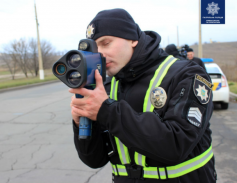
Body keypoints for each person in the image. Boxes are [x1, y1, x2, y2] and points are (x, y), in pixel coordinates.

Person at [69, 8, 216, 183]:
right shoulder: (106, 87)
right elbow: (94, 160)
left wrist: (107, 111)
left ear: (132, 39)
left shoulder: (186, 74)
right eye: (95, 46)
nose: (99, 53)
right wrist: (82, 125)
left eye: (106, 43)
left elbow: (177, 144)